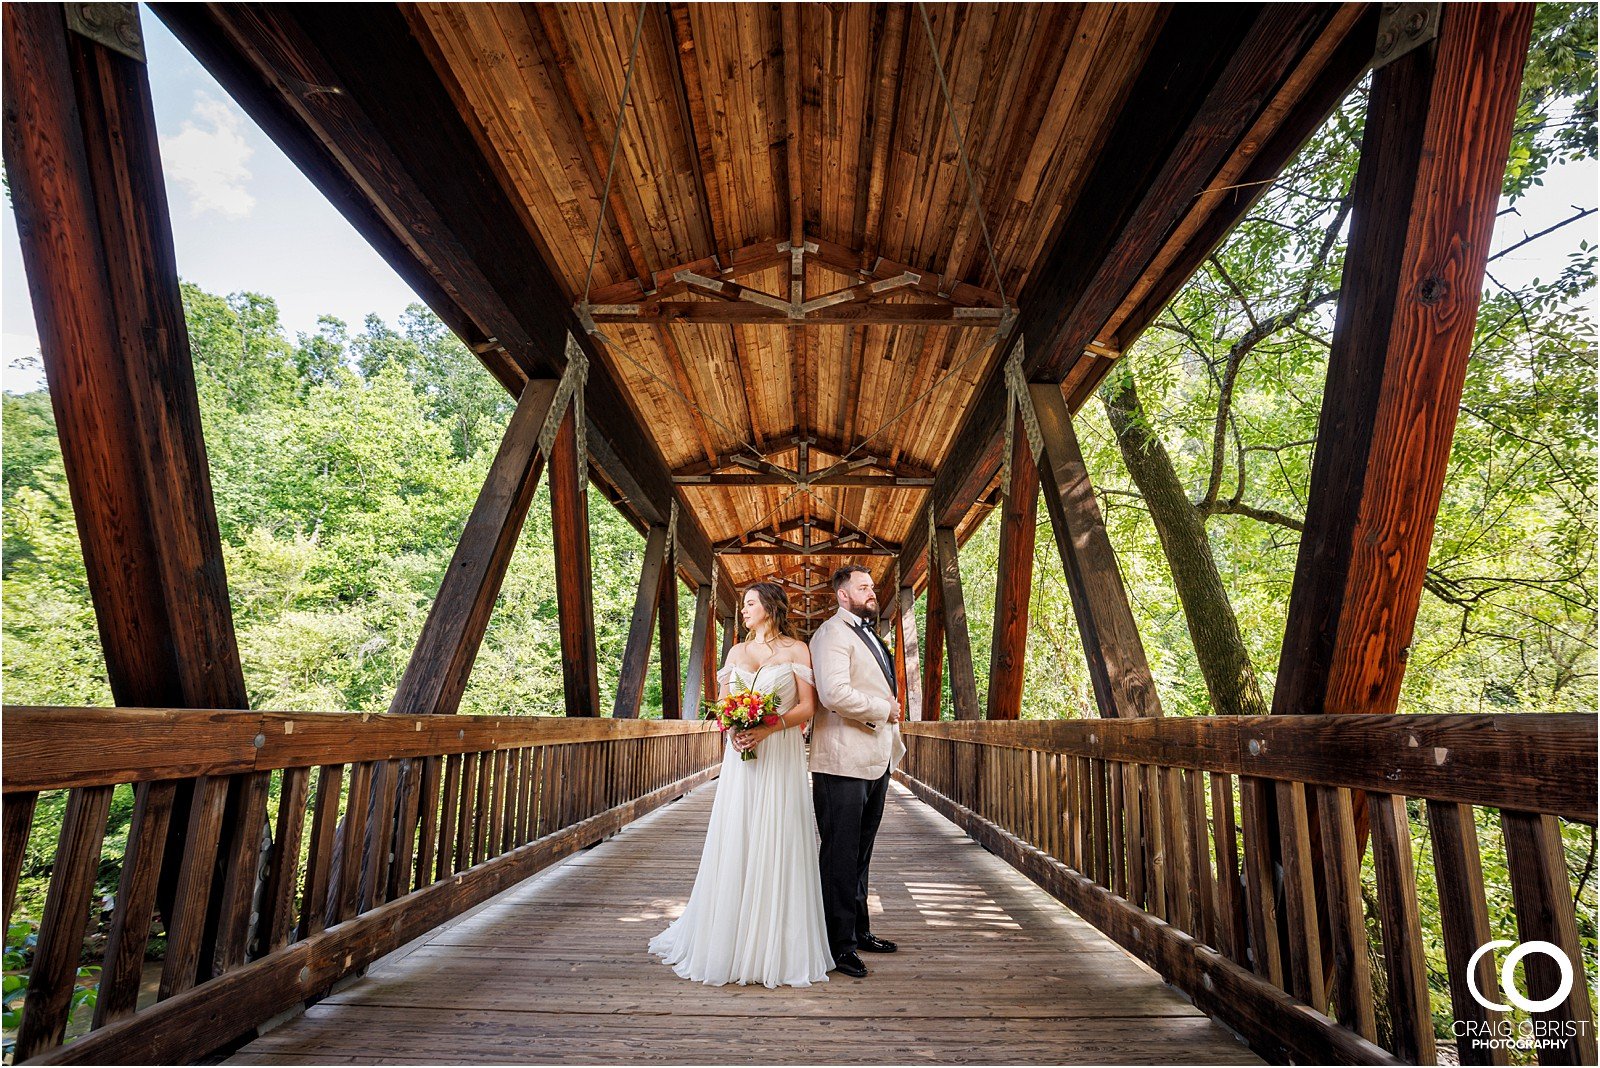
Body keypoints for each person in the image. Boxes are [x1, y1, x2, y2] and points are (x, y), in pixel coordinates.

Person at [648, 582, 833, 987]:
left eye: (750, 603)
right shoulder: (736, 652)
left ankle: (776, 944)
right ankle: (728, 938)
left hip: (779, 752)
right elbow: (725, 703)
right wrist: (732, 728)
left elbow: (807, 706)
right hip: (742, 761)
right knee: (739, 835)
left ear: (769, 607)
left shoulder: (796, 651)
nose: (744, 610)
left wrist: (767, 728)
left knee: (778, 837)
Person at [808, 563, 906, 978]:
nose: (872, 591)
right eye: (863, 587)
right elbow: (833, 694)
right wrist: (884, 710)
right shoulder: (831, 634)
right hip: (842, 762)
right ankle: (837, 946)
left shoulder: (867, 634)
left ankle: (858, 930)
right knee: (840, 856)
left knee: (861, 855)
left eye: (872, 586)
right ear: (842, 595)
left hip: (874, 759)